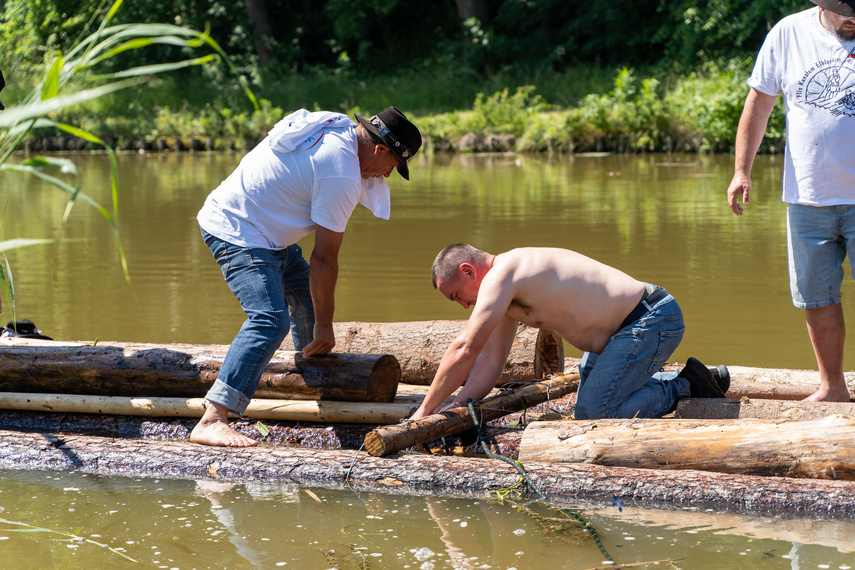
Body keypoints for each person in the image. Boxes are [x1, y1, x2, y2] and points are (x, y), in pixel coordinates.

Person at [191, 106, 422, 446]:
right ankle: (213, 417)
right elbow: (324, 259)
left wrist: (320, 322)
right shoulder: (340, 172)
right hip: (238, 228)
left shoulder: (339, 128)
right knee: (269, 321)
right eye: (393, 166)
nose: (387, 175)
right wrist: (326, 325)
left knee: (310, 309)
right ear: (379, 149)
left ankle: (308, 384)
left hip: (267, 229)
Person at [409, 244, 728, 421]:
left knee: (596, 412)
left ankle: (687, 385)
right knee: (586, 411)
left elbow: (465, 348)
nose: (463, 306)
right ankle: (680, 379)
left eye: (456, 296)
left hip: (651, 318)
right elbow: (490, 362)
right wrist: (458, 405)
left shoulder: (504, 274)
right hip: (623, 336)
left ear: (468, 271)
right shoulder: (504, 293)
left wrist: (423, 409)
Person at [726, 0, 855, 402]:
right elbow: (759, 102)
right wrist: (741, 169)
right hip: (808, 195)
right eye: (847, 12)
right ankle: (833, 389)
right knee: (816, 297)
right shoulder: (788, 32)